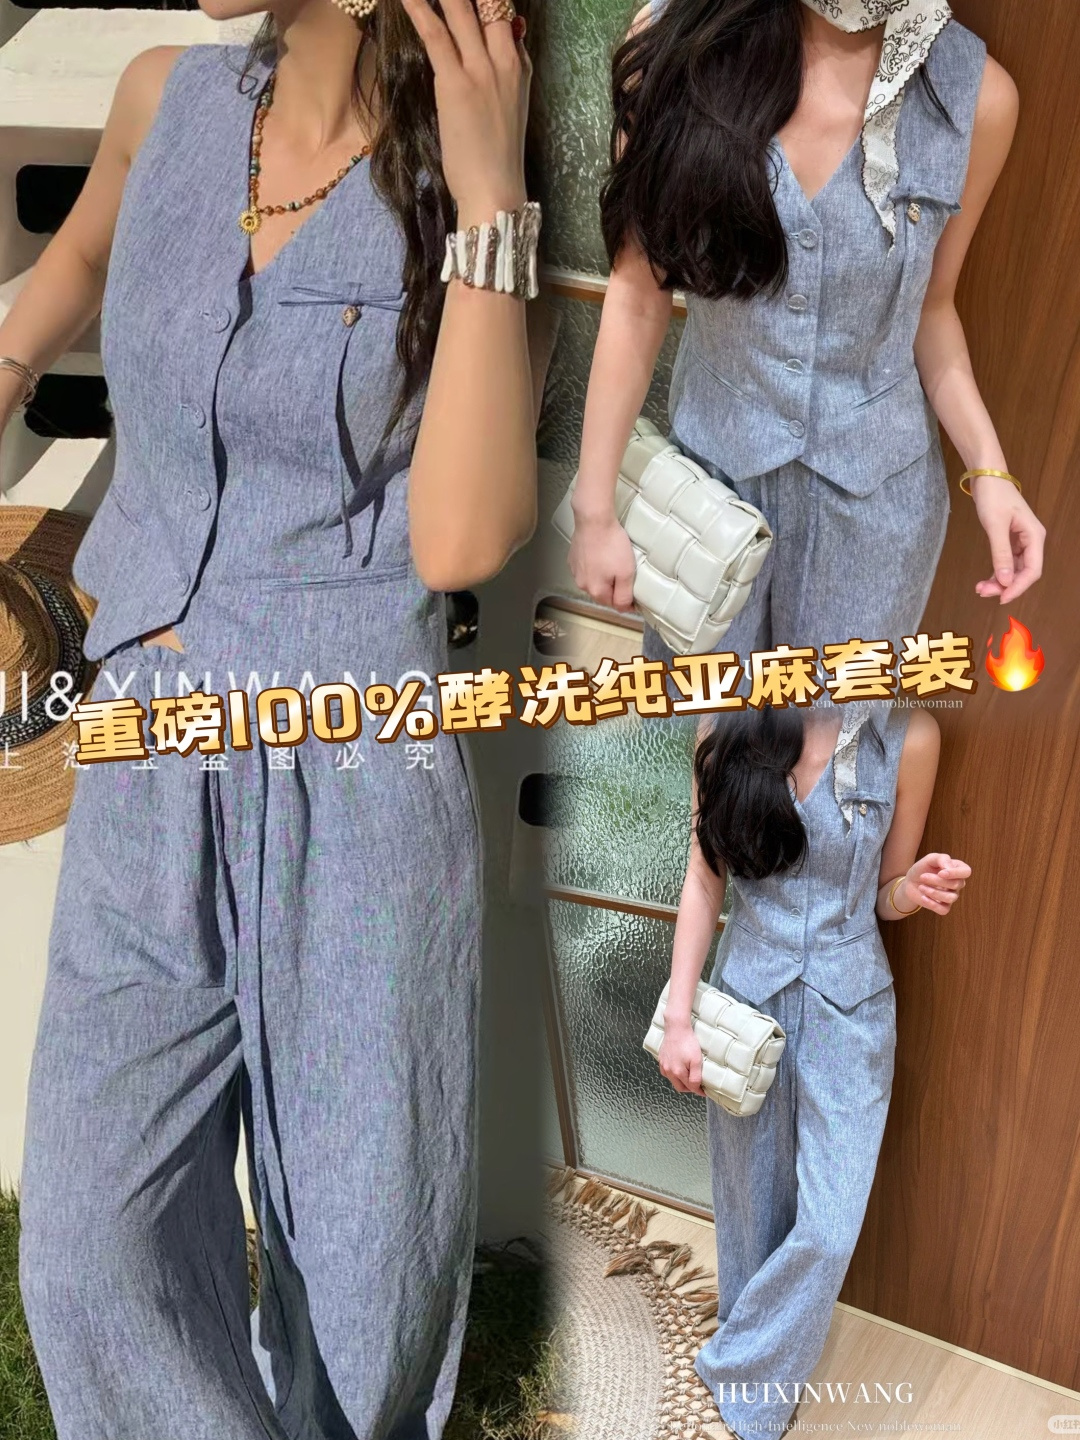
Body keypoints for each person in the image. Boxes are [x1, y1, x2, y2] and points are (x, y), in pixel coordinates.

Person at [7, 0, 549, 1436]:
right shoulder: (165, 100)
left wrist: (489, 196)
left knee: (363, 1284)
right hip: (148, 749)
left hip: (355, 778)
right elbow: (85, 253)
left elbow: (461, 538)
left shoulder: (480, 162)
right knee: (91, 1248)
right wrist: (10, 363)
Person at [568, 0, 1045, 675]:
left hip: (875, 512)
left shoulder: (977, 96)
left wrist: (991, 473)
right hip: (708, 495)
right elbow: (637, 293)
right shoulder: (674, 41)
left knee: (835, 737)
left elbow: (931, 310)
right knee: (712, 723)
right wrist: (594, 509)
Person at [658, 701, 970, 1438]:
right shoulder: (723, 725)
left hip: (848, 1011)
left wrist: (910, 890)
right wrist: (679, 1016)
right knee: (750, 1208)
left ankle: (735, 1360)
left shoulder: (908, 736)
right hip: (746, 1000)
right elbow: (704, 877)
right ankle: (757, 1396)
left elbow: (885, 894)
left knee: (829, 1228)